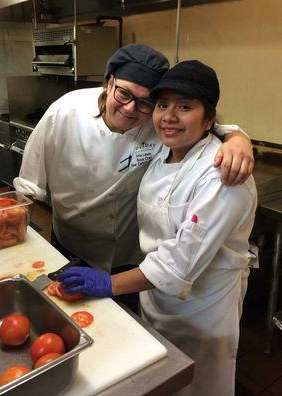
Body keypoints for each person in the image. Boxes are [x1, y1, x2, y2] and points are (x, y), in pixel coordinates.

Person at [57, 60, 257, 396]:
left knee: (198, 388)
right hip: (155, 298)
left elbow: (179, 262)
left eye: (184, 107)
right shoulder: (164, 150)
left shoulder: (223, 175)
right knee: (160, 384)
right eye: (163, 105)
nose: (168, 116)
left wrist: (108, 284)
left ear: (209, 119)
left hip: (203, 310)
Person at [14, 44, 253, 276]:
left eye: (144, 102)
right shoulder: (66, 110)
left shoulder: (157, 121)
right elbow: (29, 185)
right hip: (68, 241)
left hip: (125, 255)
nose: (130, 108)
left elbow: (201, 124)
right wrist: (17, 241)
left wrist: (237, 139)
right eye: (124, 93)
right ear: (109, 82)